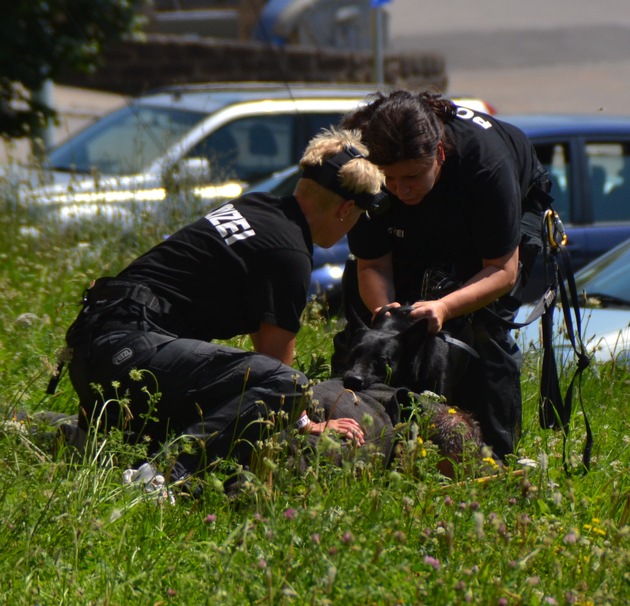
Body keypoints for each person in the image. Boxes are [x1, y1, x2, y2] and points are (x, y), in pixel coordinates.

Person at [61, 128, 387, 485]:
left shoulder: (256, 205)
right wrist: (307, 423)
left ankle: (90, 443)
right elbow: (278, 369)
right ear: (345, 209)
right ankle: (162, 477)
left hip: (93, 347)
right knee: (289, 385)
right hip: (128, 353)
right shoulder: (289, 253)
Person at [334, 90, 553, 461]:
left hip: (488, 221)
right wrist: (387, 314)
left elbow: (501, 270)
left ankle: (493, 458)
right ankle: (382, 438)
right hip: (421, 217)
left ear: (438, 154)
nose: (401, 190)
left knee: (483, 329)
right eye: (390, 178)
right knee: (372, 327)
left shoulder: (486, 165)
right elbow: (371, 264)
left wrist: (445, 307)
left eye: (411, 177)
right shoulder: (368, 171)